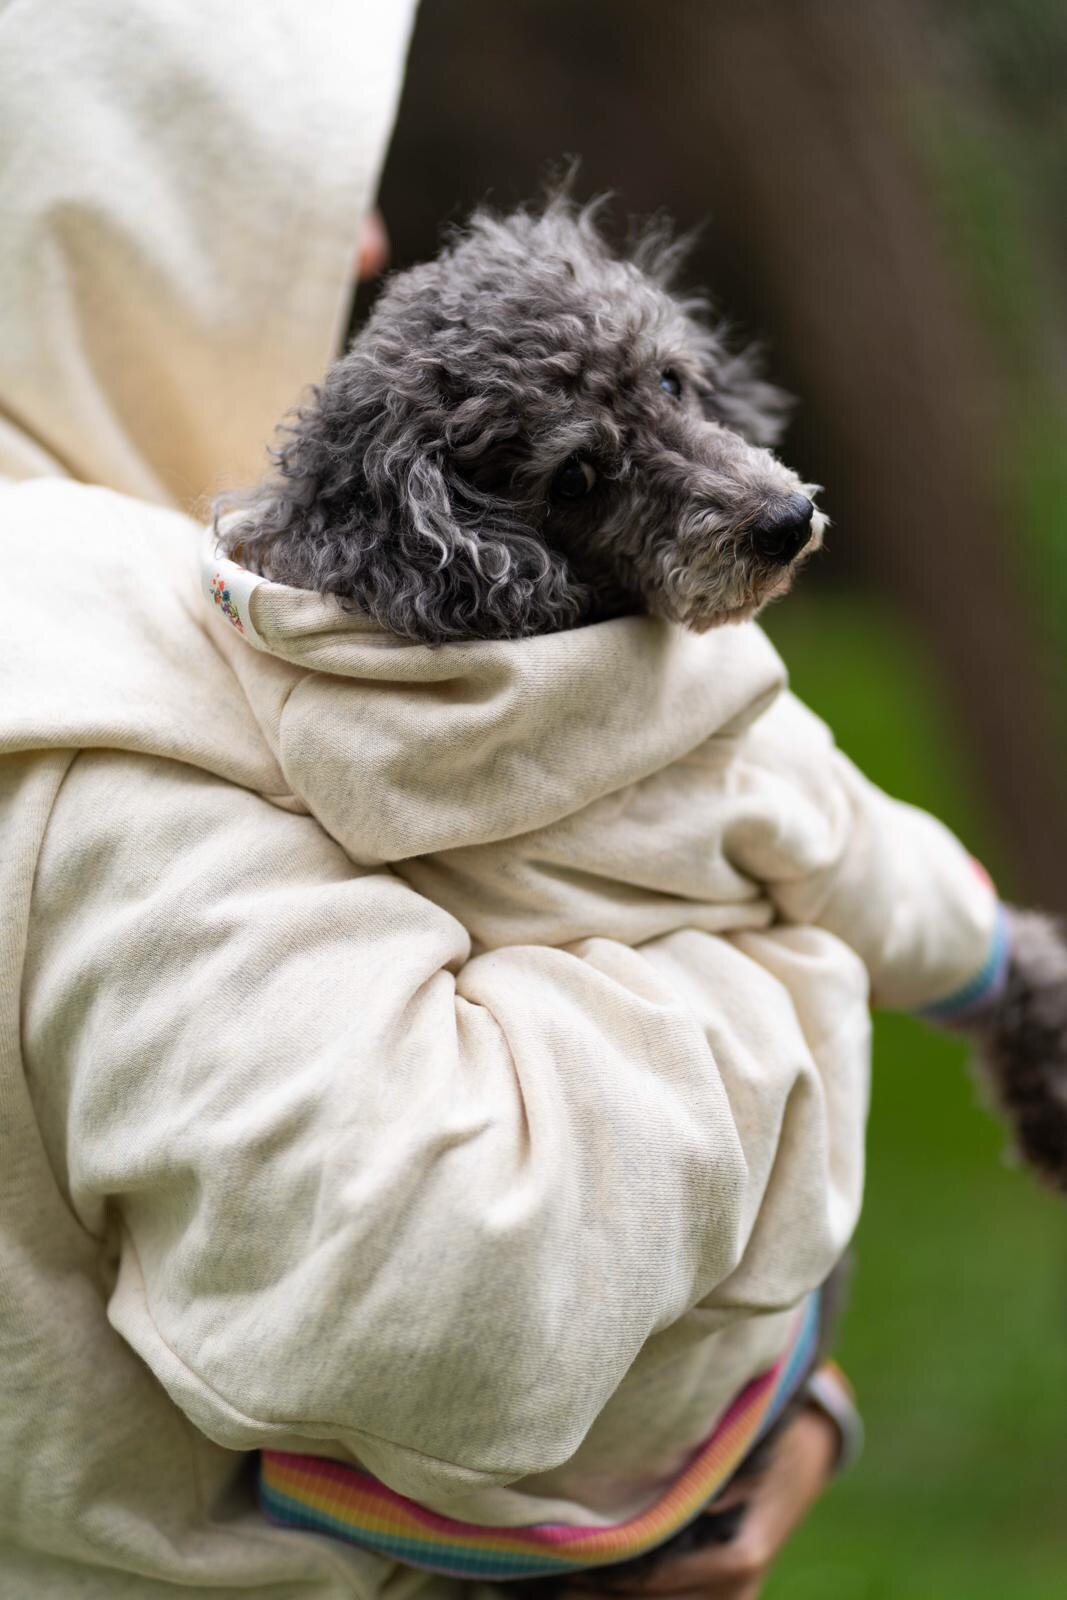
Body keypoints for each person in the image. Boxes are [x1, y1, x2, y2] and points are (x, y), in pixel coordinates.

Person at [2, 4, 1000, 1596]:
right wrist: (803, 974)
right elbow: (450, 1309)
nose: (372, 241)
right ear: (85, 201)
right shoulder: (112, 724)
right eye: (283, 177)